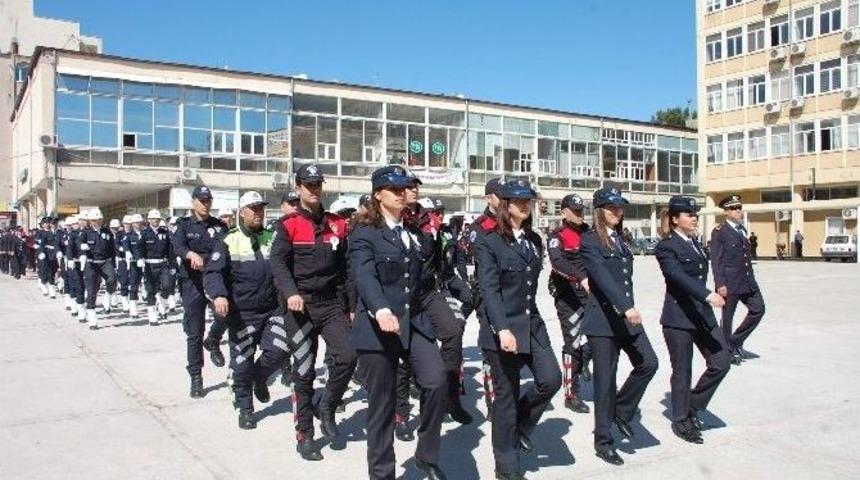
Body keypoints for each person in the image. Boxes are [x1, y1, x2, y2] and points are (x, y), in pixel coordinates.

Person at [350, 165, 448, 480]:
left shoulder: (414, 232)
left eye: (404, 188)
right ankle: (382, 474)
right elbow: (364, 274)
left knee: (436, 382)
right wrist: (379, 309)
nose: (402, 193)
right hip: (377, 327)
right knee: (382, 406)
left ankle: (425, 455)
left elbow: (422, 280)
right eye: (394, 189)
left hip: (414, 321)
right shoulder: (364, 233)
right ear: (378, 194)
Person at [475, 180, 562, 480]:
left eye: (529, 201)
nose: (526, 205)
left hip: (532, 324)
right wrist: (502, 329)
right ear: (505, 204)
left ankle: (521, 425)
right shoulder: (489, 241)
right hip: (502, 329)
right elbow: (489, 289)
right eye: (519, 200)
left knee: (551, 379)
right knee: (506, 399)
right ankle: (506, 467)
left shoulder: (534, 240)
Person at [270, 164, 356, 460]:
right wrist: (291, 293)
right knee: (304, 371)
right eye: (308, 184)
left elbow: (346, 270)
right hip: (301, 307)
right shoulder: (289, 224)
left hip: (331, 304)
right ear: (298, 188)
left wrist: (351, 307)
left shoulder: (337, 224)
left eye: (318, 184)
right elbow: (278, 264)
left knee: (348, 356)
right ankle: (305, 434)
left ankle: (327, 405)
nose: (314, 189)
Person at [580, 187, 659, 466]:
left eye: (620, 207)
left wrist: (627, 309)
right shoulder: (590, 240)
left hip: (626, 318)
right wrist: (626, 307)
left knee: (649, 363)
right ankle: (603, 441)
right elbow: (602, 277)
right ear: (599, 210)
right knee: (605, 382)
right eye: (611, 207)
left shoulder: (621, 239)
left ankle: (622, 411)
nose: (617, 211)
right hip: (604, 321)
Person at [204, 191, 290, 430]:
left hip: (271, 310)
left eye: (261, 208)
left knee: (281, 350)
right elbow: (213, 272)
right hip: (242, 314)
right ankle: (245, 409)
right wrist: (219, 294)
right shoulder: (228, 240)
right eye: (253, 208)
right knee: (242, 364)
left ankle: (259, 376)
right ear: (242, 212)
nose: (258, 212)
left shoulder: (272, 238)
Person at [655, 196, 731, 445]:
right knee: (682, 371)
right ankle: (680, 419)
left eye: (695, 214)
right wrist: (707, 295)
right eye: (689, 214)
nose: (694, 218)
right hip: (679, 318)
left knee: (721, 362)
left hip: (702, 316)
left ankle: (694, 405)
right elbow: (676, 275)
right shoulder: (666, 247)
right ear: (675, 219)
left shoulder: (696, 243)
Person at [173, 185, 229, 398]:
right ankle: (196, 376)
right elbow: (177, 246)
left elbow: (228, 249)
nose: (205, 204)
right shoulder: (184, 225)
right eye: (202, 200)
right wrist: (190, 254)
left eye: (208, 200)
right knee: (194, 332)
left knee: (224, 315)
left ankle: (213, 339)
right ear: (193, 202)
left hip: (215, 280)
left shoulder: (220, 226)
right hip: (192, 283)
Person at [456, 178, 505, 420]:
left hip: (504, 293)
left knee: (499, 350)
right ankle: (484, 397)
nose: (505, 200)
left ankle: (498, 399)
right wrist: (466, 284)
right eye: (500, 195)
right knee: (463, 337)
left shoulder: (514, 224)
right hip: (479, 292)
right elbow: (463, 256)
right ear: (488, 198)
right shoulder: (479, 227)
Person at [547, 193, 592, 414]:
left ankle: (582, 363)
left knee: (598, 340)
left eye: (581, 210)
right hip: (569, 298)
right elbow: (557, 262)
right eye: (575, 211)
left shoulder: (589, 233)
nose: (579, 214)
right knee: (573, 344)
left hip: (591, 297)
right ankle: (570, 394)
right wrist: (580, 278)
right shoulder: (557, 235)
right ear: (564, 212)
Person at [710, 195, 765, 365]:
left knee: (758, 310)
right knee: (727, 319)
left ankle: (734, 342)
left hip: (747, 281)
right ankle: (727, 352)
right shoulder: (719, 231)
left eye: (739, 208)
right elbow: (716, 259)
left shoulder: (742, 230)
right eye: (734, 208)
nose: (738, 211)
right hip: (730, 282)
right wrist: (720, 284)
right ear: (726, 211)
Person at [77, 208, 117, 329]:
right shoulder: (85, 232)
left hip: (105, 262)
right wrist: (82, 248)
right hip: (91, 263)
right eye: (94, 220)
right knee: (91, 290)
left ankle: (107, 298)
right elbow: (79, 243)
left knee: (112, 280)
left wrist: (114, 264)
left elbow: (112, 249)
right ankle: (92, 315)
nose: (97, 222)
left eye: (99, 220)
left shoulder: (107, 232)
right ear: (90, 221)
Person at [139, 209, 174, 325]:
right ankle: (152, 314)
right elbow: (139, 248)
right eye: (153, 219)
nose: (155, 221)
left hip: (163, 264)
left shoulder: (165, 233)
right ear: (149, 220)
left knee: (167, 286)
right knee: (151, 290)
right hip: (150, 265)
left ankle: (162, 304)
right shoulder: (144, 233)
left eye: (158, 219)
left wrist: (173, 264)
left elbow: (170, 250)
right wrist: (139, 258)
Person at [34, 216, 60, 298]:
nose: (47, 224)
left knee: (53, 270)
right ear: (42, 224)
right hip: (44, 254)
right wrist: (40, 251)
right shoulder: (40, 233)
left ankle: (50, 286)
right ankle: (44, 285)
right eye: (45, 223)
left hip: (53, 254)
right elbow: (39, 243)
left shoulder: (55, 232)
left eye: (49, 223)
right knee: (43, 270)